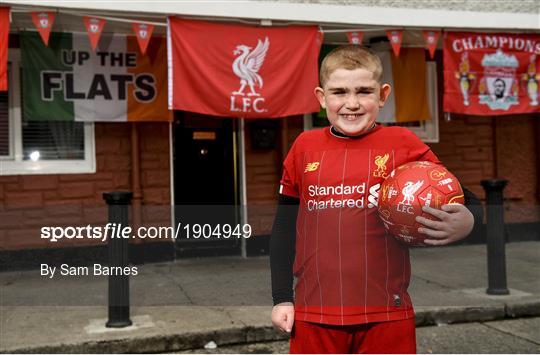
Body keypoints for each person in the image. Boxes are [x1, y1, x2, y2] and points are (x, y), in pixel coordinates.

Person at [270, 45, 483, 354]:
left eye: (364, 92)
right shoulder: (304, 148)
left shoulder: (402, 144)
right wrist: (281, 298)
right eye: (339, 92)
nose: (352, 103)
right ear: (320, 97)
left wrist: (471, 221)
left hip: (386, 314)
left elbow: (463, 195)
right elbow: (283, 230)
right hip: (314, 313)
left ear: (383, 95)